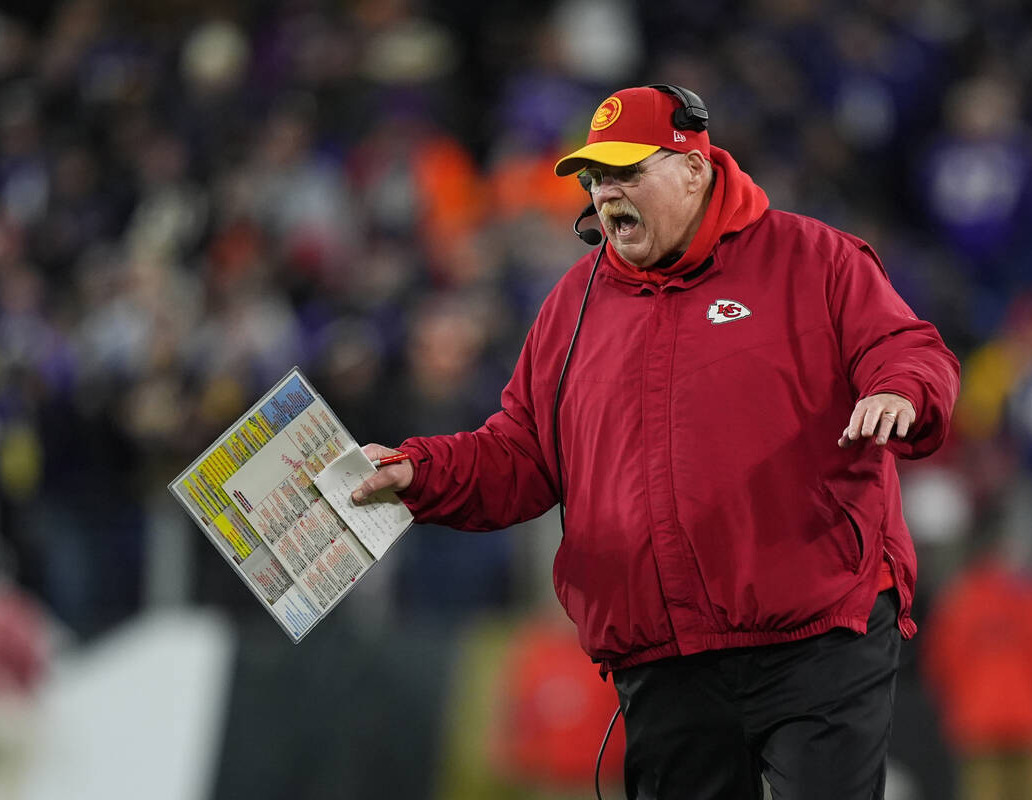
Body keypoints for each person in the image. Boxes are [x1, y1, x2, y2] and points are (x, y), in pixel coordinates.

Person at [351, 84, 960, 799]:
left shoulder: (811, 257)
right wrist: (416, 471)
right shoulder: (572, 305)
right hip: (665, 657)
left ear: (694, 168)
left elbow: (908, 347)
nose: (607, 194)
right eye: (596, 178)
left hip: (816, 633)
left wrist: (899, 391)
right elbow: (519, 453)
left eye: (627, 172)